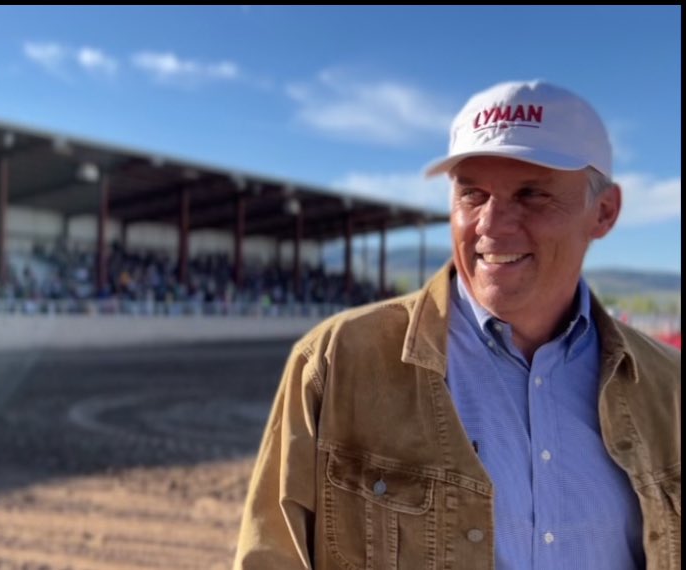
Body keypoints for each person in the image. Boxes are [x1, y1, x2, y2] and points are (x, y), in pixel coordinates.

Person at [233, 80, 680, 570]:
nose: (491, 223)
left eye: (531, 194)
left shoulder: (669, 388)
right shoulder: (336, 363)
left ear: (605, 212)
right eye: (472, 194)